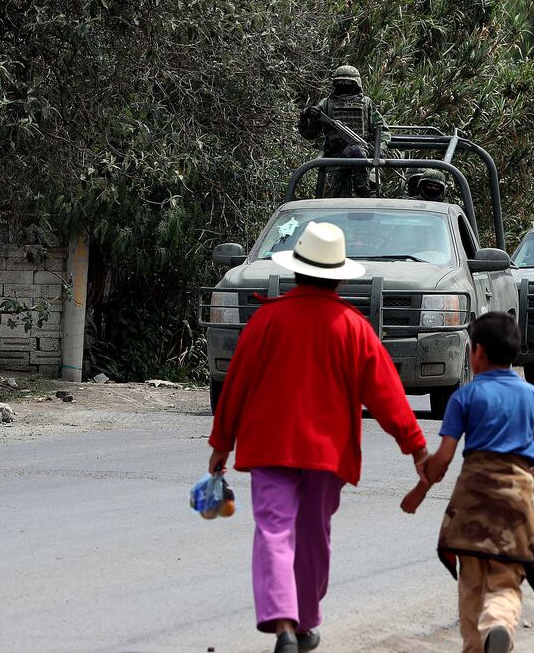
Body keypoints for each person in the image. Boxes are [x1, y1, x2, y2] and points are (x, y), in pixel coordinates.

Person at [207, 222, 428, 653]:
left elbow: (235, 385)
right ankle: (305, 621)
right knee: (313, 537)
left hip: (269, 446)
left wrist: (221, 443)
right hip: (327, 453)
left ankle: (284, 624)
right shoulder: (353, 326)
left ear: (296, 270)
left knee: (273, 531)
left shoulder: (266, 319)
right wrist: (415, 446)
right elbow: (385, 393)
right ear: (340, 276)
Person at [420, 312, 534, 653]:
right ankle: (498, 622)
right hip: (515, 505)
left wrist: (425, 474)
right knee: (506, 582)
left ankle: (475, 642)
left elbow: (445, 457)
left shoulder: (464, 397)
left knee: (471, 587)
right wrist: (533, 478)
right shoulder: (532, 396)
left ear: (477, 351)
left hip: (471, 507)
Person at [298, 65, 390, 198]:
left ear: (356, 83)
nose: (344, 85)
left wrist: (379, 150)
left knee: (367, 200)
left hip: (364, 163)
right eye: (340, 82)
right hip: (335, 164)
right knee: (332, 206)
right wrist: (305, 115)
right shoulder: (326, 103)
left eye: (348, 82)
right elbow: (310, 134)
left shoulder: (366, 103)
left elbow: (383, 131)